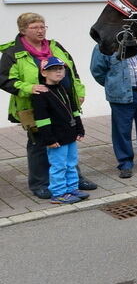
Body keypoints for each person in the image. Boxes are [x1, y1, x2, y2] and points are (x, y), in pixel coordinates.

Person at [0, 13, 96, 199]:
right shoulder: (13, 52)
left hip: (62, 101)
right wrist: (28, 87)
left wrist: (78, 92)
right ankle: (40, 183)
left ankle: (74, 180)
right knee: (39, 143)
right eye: (34, 27)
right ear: (23, 30)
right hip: (34, 104)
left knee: (67, 139)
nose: (40, 30)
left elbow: (72, 71)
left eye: (43, 26)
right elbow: (4, 80)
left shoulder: (55, 46)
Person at [91, 45, 137, 178]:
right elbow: (97, 71)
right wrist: (114, 84)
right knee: (122, 132)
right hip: (121, 96)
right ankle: (125, 164)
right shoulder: (105, 45)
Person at [32, 57, 87, 204]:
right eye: (53, 69)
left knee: (71, 163)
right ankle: (58, 193)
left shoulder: (64, 88)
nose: (58, 71)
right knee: (58, 166)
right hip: (56, 138)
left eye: (60, 68)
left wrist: (79, 128)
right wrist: (49, 139)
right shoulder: (40, 94)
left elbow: (74, 110)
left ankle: (72, 188)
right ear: (44, 73)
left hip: (70, 135)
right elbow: (42, 119)